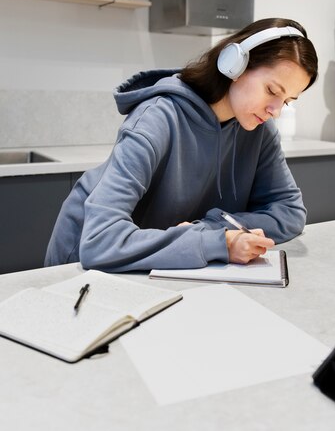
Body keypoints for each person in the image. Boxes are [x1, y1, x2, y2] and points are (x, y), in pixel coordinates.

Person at [44, 17, 318, 272]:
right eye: (272, 91)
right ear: (235, 64)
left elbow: (291, 212)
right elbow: (100, 240)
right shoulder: (158, 117)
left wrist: (211, 229)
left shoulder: (260, 130)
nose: (275, 110)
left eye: (287, 101)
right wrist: (217, 242)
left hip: (161, 264)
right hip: (80, 263)